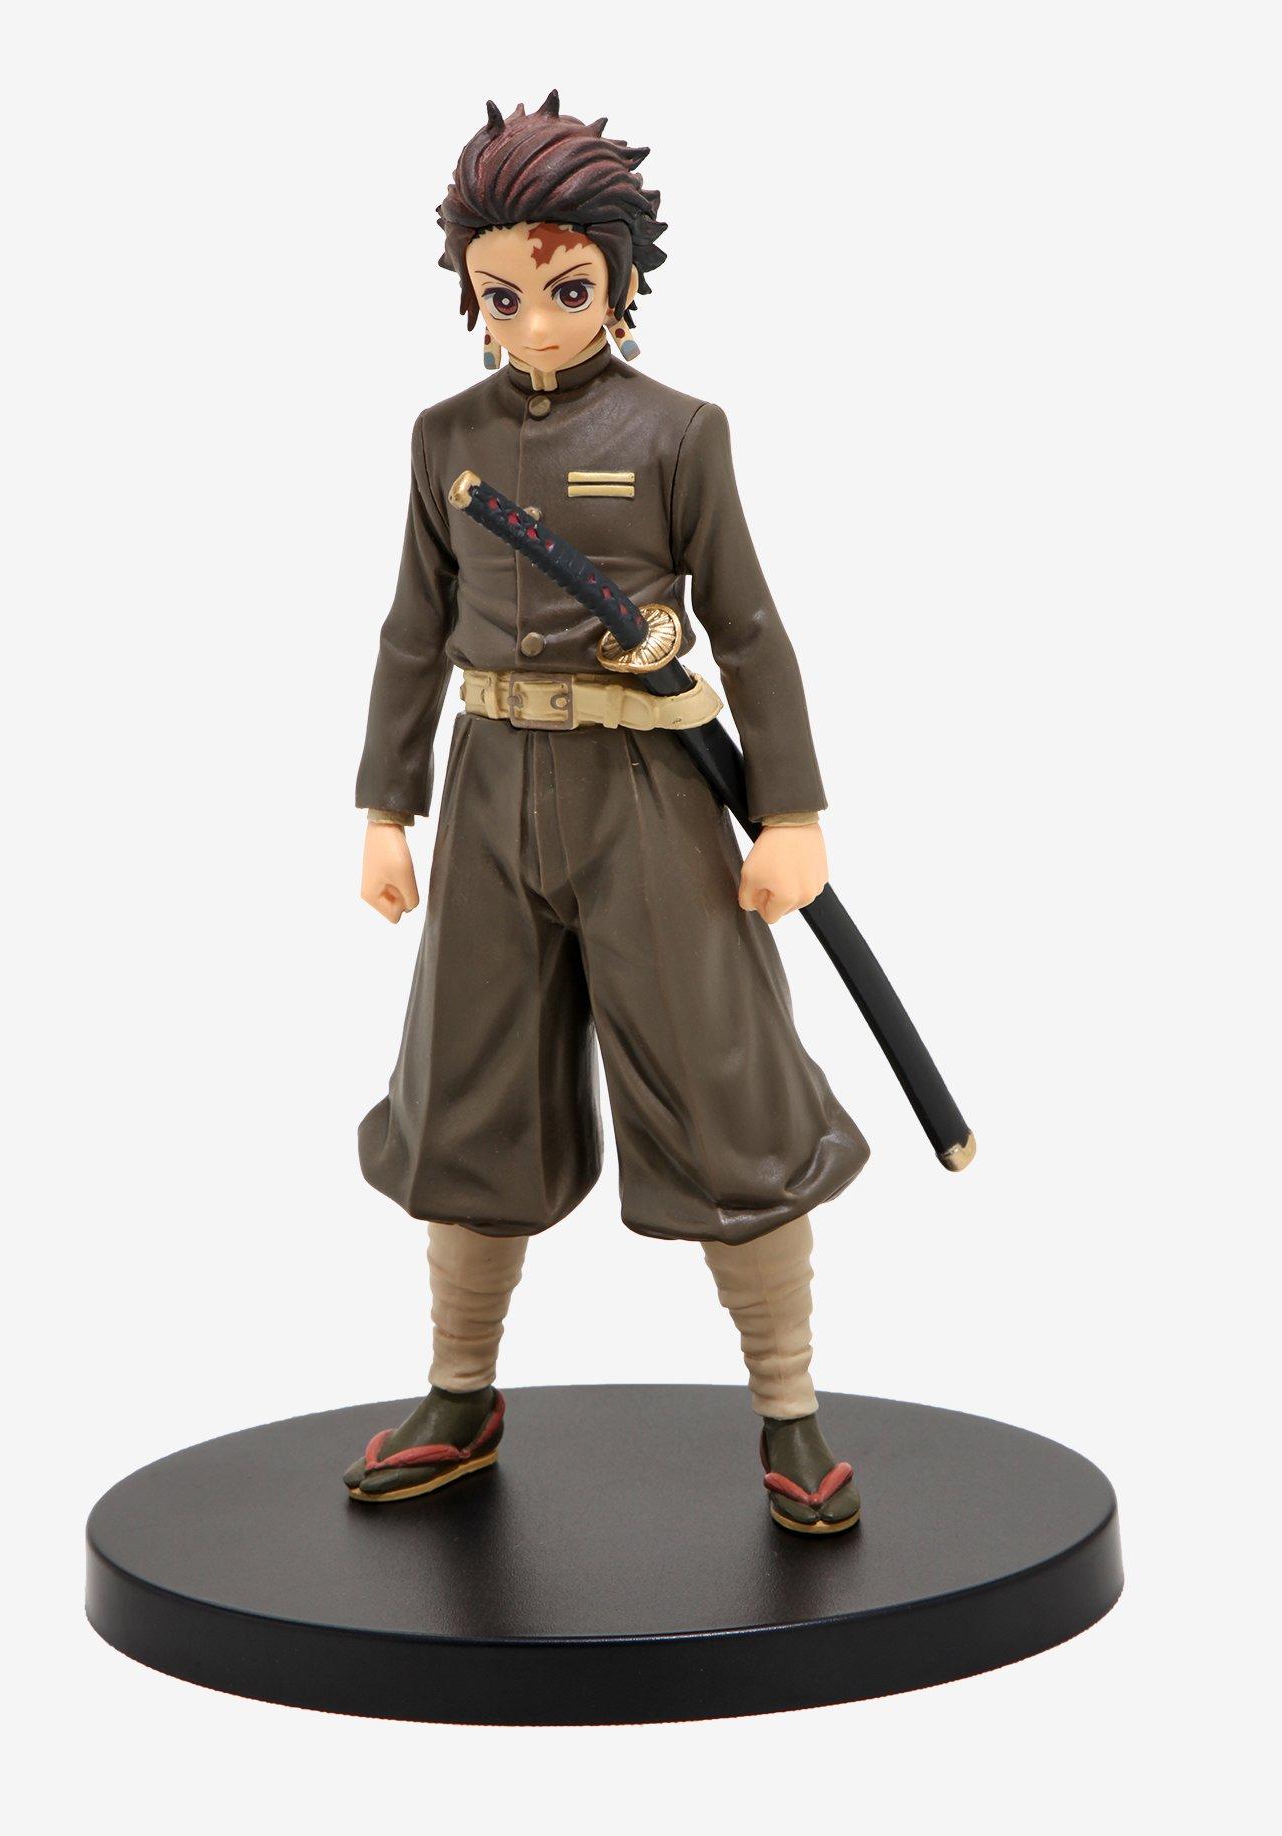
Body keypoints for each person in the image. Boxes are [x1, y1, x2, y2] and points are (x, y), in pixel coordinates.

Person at [345, 93, 869, 1533]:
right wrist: (387, 805)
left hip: (648, 795)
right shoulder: (443, 437)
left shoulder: (678, 432)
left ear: (621, 282)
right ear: (469, 294)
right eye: (501, 294)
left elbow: (748, 627)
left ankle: (790, 1409)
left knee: (722, 1087)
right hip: (490, 791)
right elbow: (411, 629)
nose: (532, 320)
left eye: (565, 289)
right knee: (468, 1095)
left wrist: (792, 812)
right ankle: (459, 1393)